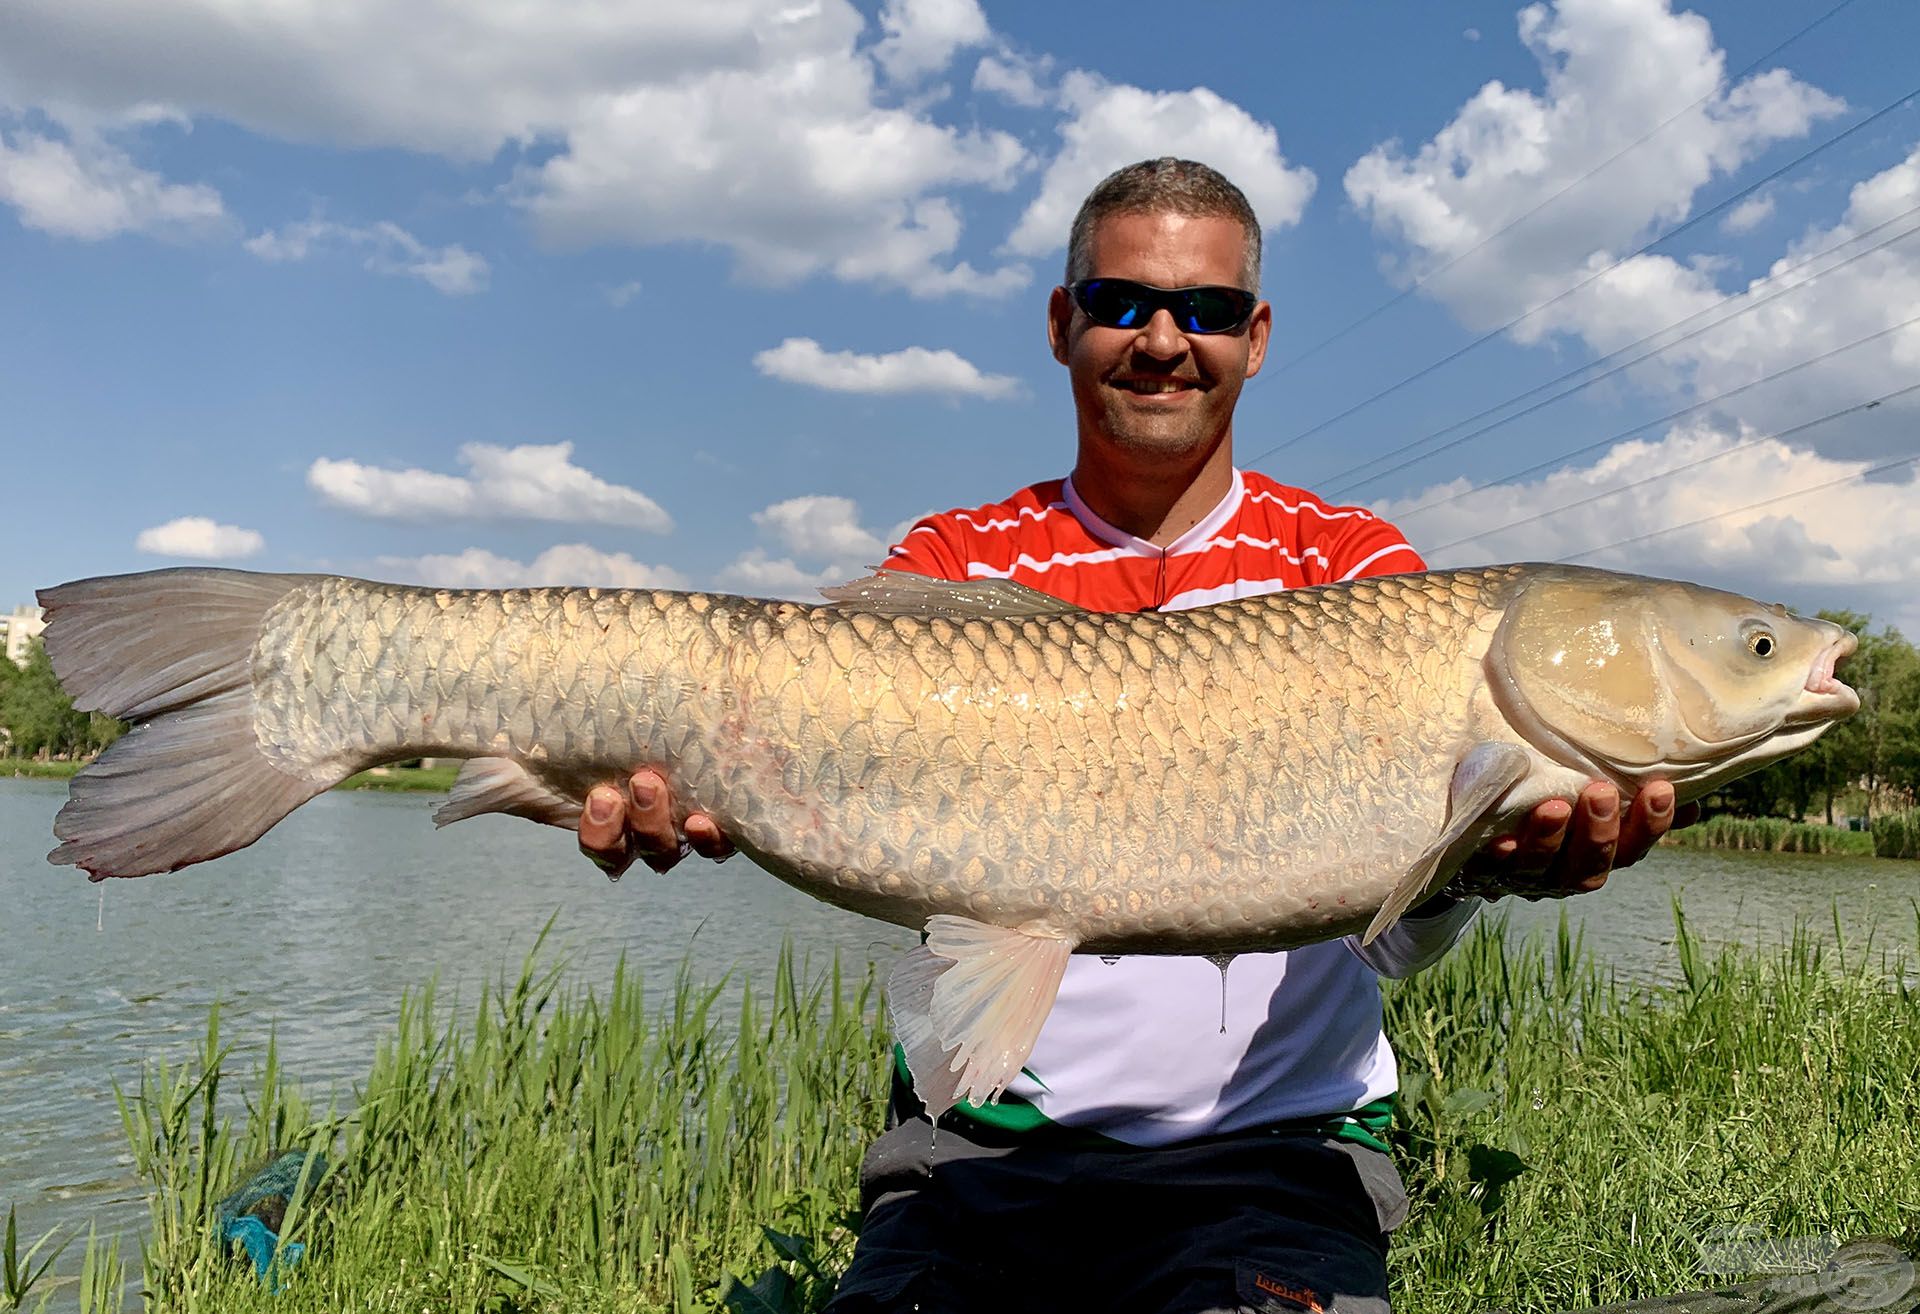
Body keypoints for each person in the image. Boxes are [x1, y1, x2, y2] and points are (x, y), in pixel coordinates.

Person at [578, 159, 1693, 1312]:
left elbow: (1392, 945)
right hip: (978, 1155)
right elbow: (787, 780)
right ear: (1063, 325)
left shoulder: (1356, 572)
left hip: (1272, 1159)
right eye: (1123, 303)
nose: (1164, 338)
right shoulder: (957, 562)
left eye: (1204, 312)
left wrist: (1484, 867)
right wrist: (685, 784)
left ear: (1254, 339)